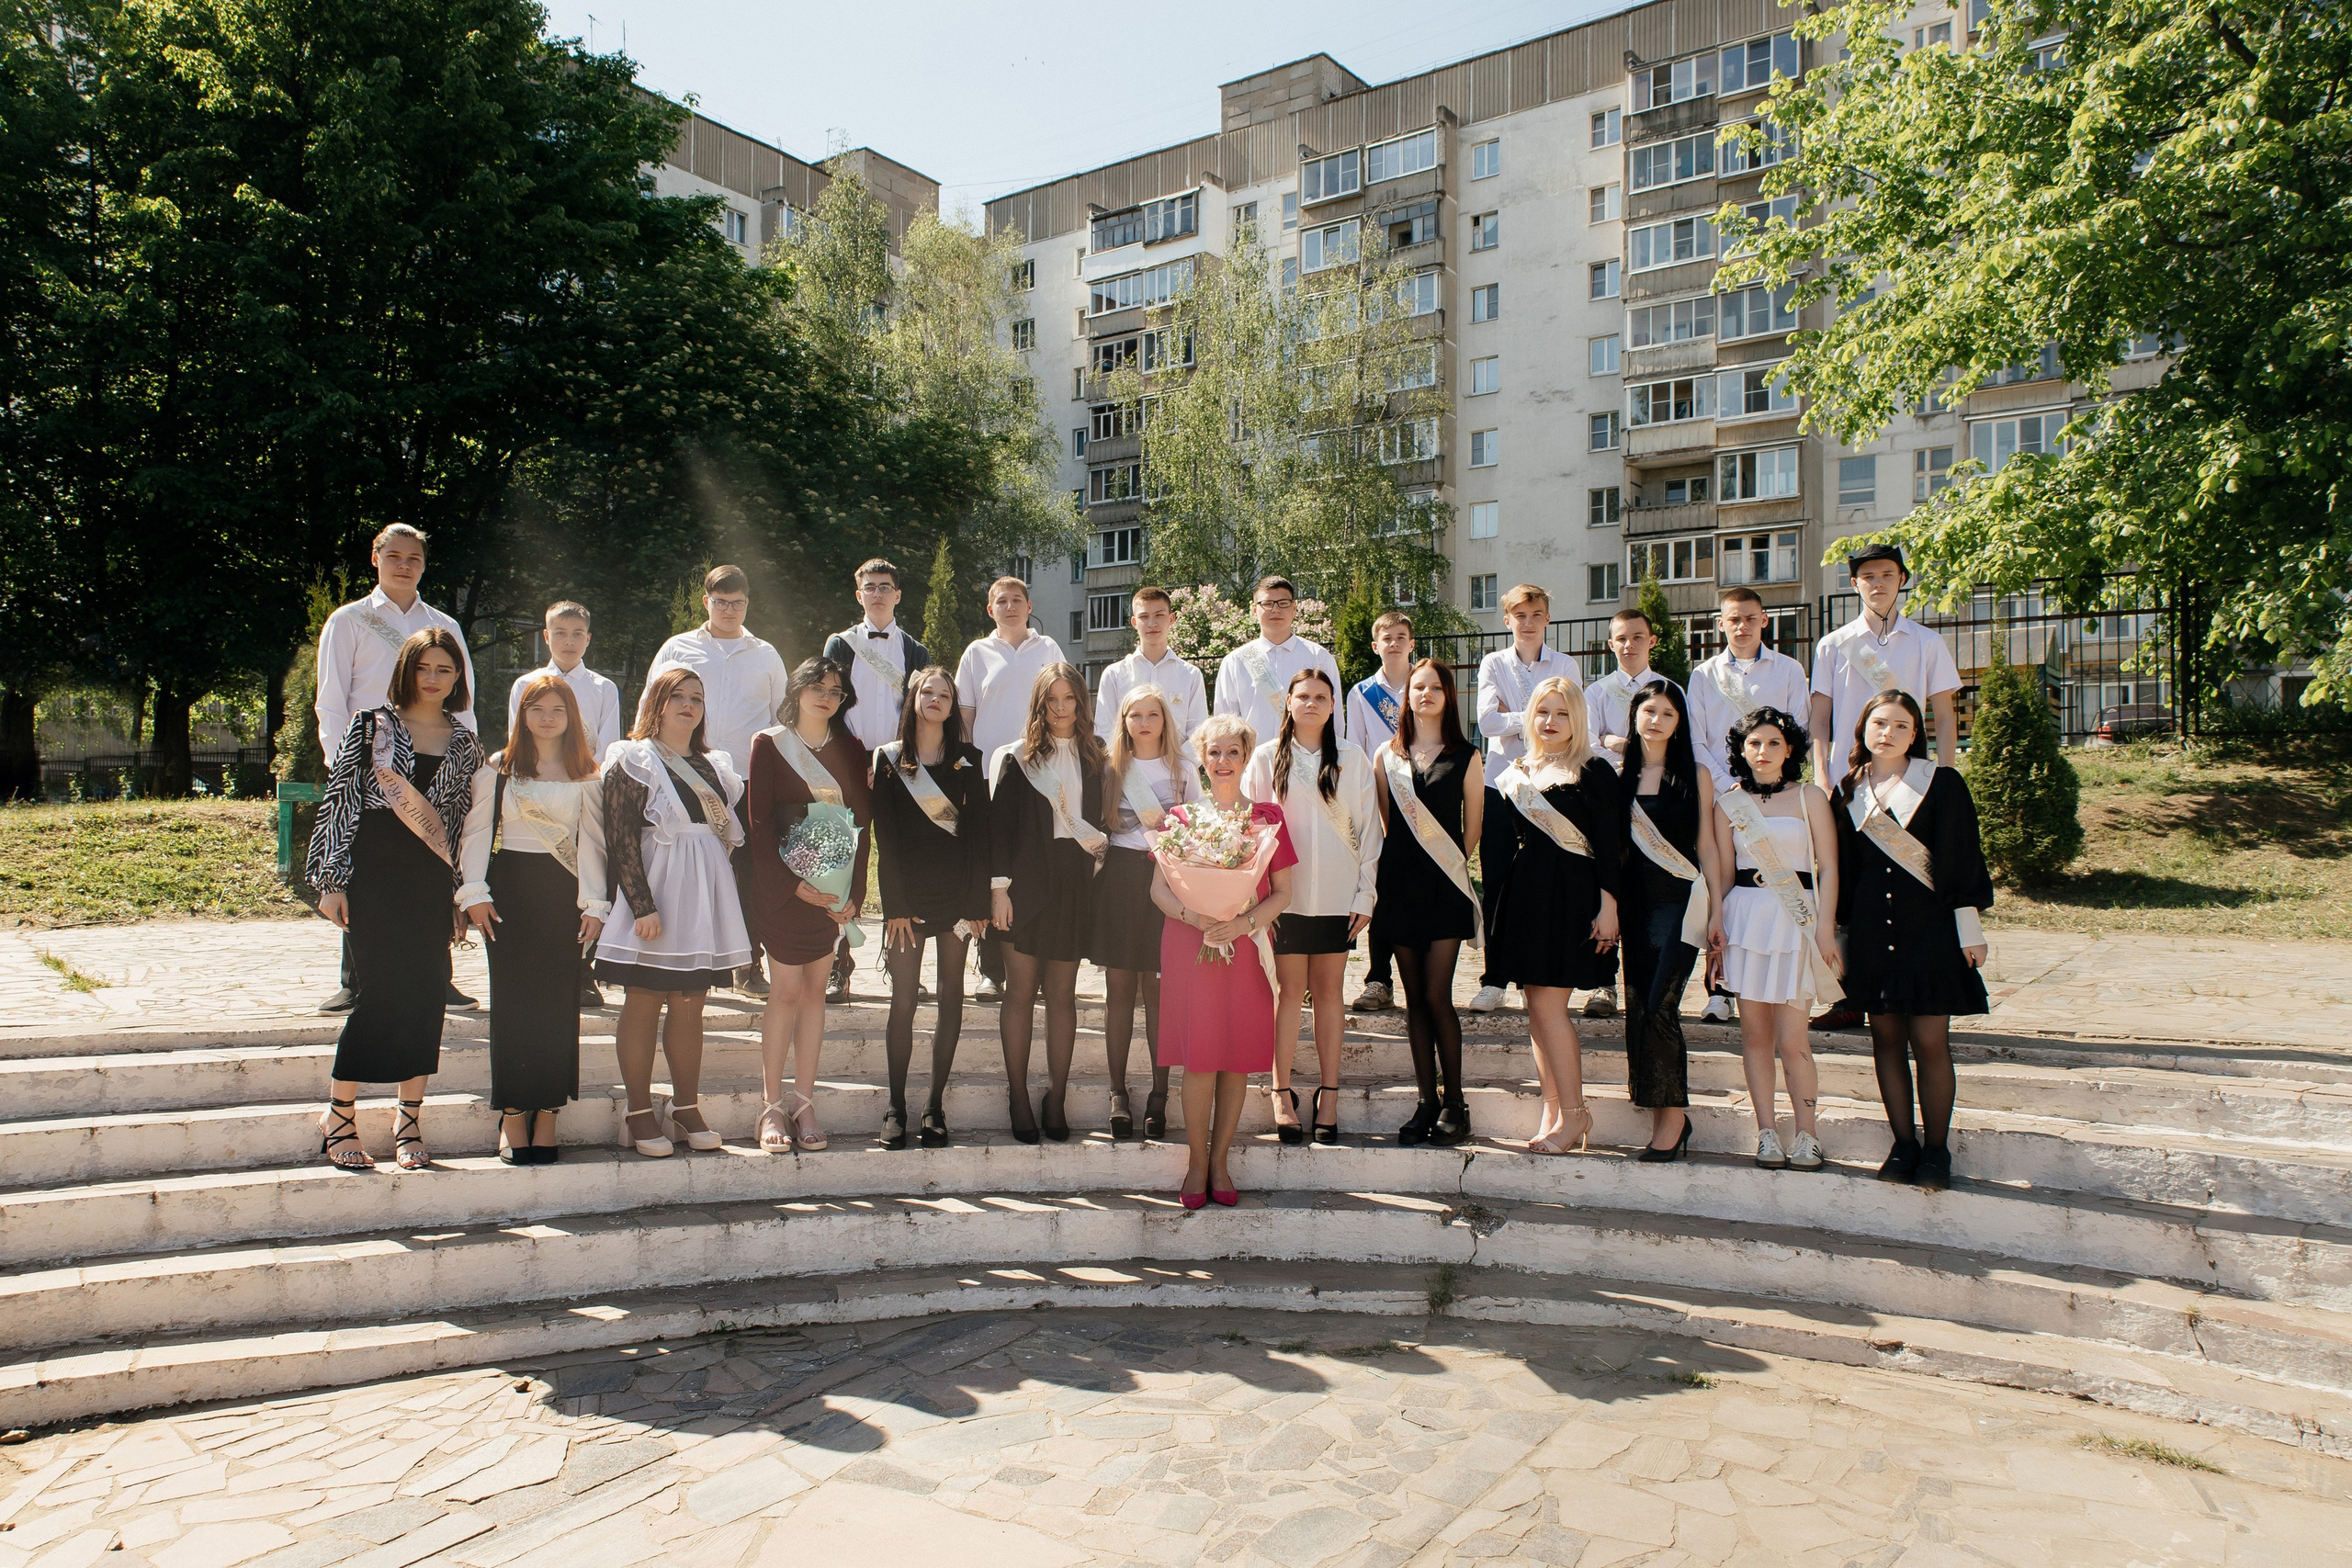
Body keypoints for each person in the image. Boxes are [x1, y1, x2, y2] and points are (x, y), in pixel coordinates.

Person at [307, 628, 485, 1171]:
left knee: (427, 994)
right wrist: (331, 879)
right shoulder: (372, 728)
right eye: (424, 668)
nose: (433, 679)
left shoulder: (464, 742)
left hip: (430, 882)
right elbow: (340, 802)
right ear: (407, 669)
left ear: (458, 679)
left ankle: (408, 1116)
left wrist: (461, 892)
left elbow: (460, 826)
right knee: (380, 993)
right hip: (373, 875)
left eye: (445, 671)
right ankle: (339, 1112)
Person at [313, 524, 480, 1014]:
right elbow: (331, 701)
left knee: (432, 865)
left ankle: (439, 975)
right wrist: (344, 765)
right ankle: (356, 979)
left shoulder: (443, 624)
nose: (404, 565)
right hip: (371, 766)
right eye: (394, 556)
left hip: (435, 760)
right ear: (376, 557)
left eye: (414, 558)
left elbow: (465, 703)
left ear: (424, 565)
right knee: (367, 870)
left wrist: (464, 759)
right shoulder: (348, 621)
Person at [1833, 690, 1994, 1192]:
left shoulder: (1941, 784)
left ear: (1915, 733)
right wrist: (1839, 934)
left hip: (1930, 931)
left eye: (1901, 726)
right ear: (1862, 728)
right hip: (1870, 933)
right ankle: (1903, 1145)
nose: (1888, 733)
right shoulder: (1847, 790)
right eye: (1879, 723)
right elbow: (1843, 867)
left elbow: (1961, 857)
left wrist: (1969, 928)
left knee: (1929, 1041)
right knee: (1884, 1040)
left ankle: (1937, 1150)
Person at [596, 669, 751, 1158]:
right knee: (644, 998)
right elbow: (619, 838)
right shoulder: (634, 758)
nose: (688, 705)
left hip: (703, 892)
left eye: (697, 698)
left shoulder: (714, 766)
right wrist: (642, 904)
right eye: (677, 697)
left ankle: (686, 1106)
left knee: (690, 1001)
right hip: (657, 891)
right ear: (656, 703)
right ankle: (639, 1111)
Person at [1810, 545, 1962, 1033]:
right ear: (1854, 583)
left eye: (1888, 575)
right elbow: (1819, 717)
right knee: (1851, 884)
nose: (1878, 583)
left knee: (1911, 884)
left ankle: (1910, 983)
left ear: (1902, 580)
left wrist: (1944, 775)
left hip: (1911, 782)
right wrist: (1821, 775)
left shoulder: (1925, 643)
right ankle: (1849, 992)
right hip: (1852, 783)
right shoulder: (1833, 644)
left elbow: (1943, 713)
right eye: (1867, 576)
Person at [458, 673, 608, 1164]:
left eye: (557, 709)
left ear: (572, 718)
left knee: (557, 1003)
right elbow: (478, 833)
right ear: (521, 715)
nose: (547, 717)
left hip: (563, 894)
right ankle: (512, 1112)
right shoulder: (499, 769)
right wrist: (474, 892)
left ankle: (548, 1111)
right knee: (513, 1002)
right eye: (536, 708)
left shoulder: (585, 772)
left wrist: (594, 903)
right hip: (510, 893)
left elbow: (593, 844)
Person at [1151, 713, 1297, 1206]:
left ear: (1246, 757)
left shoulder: (1267, 819)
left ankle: (1221, 1163)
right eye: (1214, 752)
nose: (1223, 761)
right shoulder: (1180, 820)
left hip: (1245, 947)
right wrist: (1196, 917)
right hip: (1191, 944)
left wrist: (1242, 924)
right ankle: (1195, 1165)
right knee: (1200, 1056)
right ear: (1201, 758)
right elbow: (1157, 890)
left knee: (1234, 1057)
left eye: (1232, 751)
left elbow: (1282, 894)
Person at [1484, 678, 1622, 1155]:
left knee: (1549, 1008)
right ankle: (1553, 1106)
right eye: (1543, 712)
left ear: (1577, 718)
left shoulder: (1594, 770)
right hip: (1529, 894)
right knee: (1534, 1009)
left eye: (1561, 713)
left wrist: (1610, 906)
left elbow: (1611, 845)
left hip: (1575, 896)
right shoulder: (1521, 769)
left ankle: (1577, 1113)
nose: (1551, 722)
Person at [1244, 667, 1381, 1145]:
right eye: (1303, 696)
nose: (1312, 704)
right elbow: (1251, 832)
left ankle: (1329, 1094)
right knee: (1287, 995)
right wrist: (1260, 903)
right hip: (1285, 899)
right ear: (1288, 701)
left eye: (1321, 697)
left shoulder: (1354, 758)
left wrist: (1365, 894)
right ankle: (1281, 1091)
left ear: (1333, 705)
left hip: (1338, 898)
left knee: (1328, 994)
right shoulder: (1265, 759)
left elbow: (1370, 833)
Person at [1705, 705, 1843, 1172]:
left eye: (1773, 743)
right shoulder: (1728, 803)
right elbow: (1723, 874)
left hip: (1796, 921)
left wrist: (1825, 931)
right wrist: (1715, 928)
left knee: (1793, 1038)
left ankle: (1808, 1134)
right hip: (1746, 920)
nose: (1763, 752)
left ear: (1790, 750)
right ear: (1741, 750)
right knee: (1755, 1036)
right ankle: (1766, 1132)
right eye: (1754, 743)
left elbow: (1830, 867)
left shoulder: (1810, 798)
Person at [745, 657, 872, 1155]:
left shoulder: (851, 748)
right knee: (786, 991)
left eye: (836, 691)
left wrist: (853, 894)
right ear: (796, 691)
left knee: (817, 990)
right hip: (784, 891)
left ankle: (804, 1102)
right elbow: (757, 825)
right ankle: (771, 1104)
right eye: (817, 687)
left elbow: (861, 827)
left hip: (831, 891)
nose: (826, 696)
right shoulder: (769, 745)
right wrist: (790, 885)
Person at [648, 565, 790, 997]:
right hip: (686, 776)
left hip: (747, 782)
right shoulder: (678, 649)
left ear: (748, 604)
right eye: (721, 601)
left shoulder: (765, 653)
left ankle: (748, 965)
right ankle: (687, 961)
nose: (730, 610)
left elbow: (781, 719)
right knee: (688, 872)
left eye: (738, 603)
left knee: (749, 874)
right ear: (706, 602)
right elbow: (651, 705)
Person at [869, 667, 991, 1148]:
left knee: (950, 998)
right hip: (908, 902)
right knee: (903, 1002)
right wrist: (894, 906)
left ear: (952, 704)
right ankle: (896, 1106)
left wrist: (977, 902)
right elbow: (886, 839)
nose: (936, 699)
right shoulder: (888, 760)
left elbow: (979, 837)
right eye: (928, 692)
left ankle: (934, 1106)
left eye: (945, 694)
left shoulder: (969, 759)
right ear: (914, 699)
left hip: (958, 899)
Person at [989, 662, 1108, 1141]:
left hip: (1074, 883)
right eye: (1052, 700)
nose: (1061, 709)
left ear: (1081, 703)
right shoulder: (1017, 757)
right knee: (1019, 992)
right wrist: (998, 889)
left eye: (1069, 699)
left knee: (1061, 994)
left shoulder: (1098, 755)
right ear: (1040, 704)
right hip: (1024, 884)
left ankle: (1055, 1098)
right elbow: (999, 828)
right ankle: (1018, 1097)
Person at [1370, 658, 1484, 1147]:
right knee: (1413, 1000)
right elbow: (1384, 823)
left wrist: (1447, 867)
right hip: (1398, 887)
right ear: (1406, 695)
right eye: (1418, 687)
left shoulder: (1466, 755)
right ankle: (1426, 1102)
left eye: (1435, 687)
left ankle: (1456, 1102)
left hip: (1443, 889)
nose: (1425, 694)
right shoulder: (1385, 755)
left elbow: (1472, 829)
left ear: (1447, 696)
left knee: (1438, 997)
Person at [1685, 586, 1811, 1024]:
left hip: (1775, 793)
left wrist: (1763, 783)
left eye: (1750, 618)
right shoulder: (1703, 675)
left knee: (1768, 883)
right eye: (1732, 619)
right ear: (1720, 623)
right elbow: (1697, 739)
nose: (1741, 626)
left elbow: (1796, 731)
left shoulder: (1790, 670)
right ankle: (1718, 986)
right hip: (1723, 796)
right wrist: (1729, 787)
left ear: (1764, 621)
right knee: (1718, 881)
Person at [1616, 680, 1720, 1161]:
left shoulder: (1696, 775)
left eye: (1667, 713)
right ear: (1635, 716)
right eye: (1648, 711)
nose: (1655, 720)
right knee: (1638, 1007)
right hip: (1633, 909)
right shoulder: (1619, 775)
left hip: (1680, 906)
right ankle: (1661, 1110)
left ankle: (1674, 1121)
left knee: (1661, 1004)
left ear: (1680, 724)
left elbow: (1707, 846)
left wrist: (1718, 909)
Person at [503, 600, 623, 1007]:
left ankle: (583, 969)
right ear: (546, 636)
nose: (568, 641)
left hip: (584, 792)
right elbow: (516, 740)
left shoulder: (605, 688)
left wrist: (595, 793)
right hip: (537, 796)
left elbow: (608, 749)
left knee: (589, 879)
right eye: (560, 633)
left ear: (588, 638)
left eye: (577, 634)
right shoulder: (527, 684)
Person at [821, 558, 930, 1005]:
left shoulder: (916, 650)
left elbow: (921, 710)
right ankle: (837, 967)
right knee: (842, 867)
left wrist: (892, 758)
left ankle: (904, 970)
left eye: (886, 586)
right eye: (870, 587)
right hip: (849, 765)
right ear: (858, 593)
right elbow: (828, 703)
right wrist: (855, 760)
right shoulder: (840, 643)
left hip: (900, 766)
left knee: (905, 867)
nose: (879, 593)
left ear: (898, 595)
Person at [1469, 584, 1580, 1015]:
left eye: (1536, 614)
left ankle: (1537, 974)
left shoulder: (1565, 663)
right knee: (1497, 884)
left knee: (1547, 884)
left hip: (1553, 787)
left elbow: (1571, 721)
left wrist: (1518, 719)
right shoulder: (1494, 662)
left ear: (1547, 618)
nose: (1528, 622)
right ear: (1507, 620)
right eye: (1520, 615)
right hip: (1503, 787)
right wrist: (1539, 715)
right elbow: (1486, 722)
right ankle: (1494, 979)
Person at [956, 576, 1066, 1001]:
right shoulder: (976, 653)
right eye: (1001, 601)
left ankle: (1033, 960)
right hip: (990, 776)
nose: (1010, 606)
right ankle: (991, 970)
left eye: (1017, 599)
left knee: (1033, 862)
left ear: (1029, 604)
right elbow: (965, 716)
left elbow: (1061, 701)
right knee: (993, 866)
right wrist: (965, 770)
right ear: (990, 610)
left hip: (1040, 774)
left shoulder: (1049, 648)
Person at [1578, 608, 1685, 1021]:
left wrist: (1617, 741)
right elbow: (1588, 745)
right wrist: (1621, 747)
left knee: (1649, 887)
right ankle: (1604, 983)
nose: (1629, 645)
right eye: (1621, 638)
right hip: (1610, 798)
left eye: (1637, 637)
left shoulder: (1670, 688)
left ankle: (1654, 980)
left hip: (1659, 800)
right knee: (1609, 880)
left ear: (1652, 640)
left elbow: (1678, 743)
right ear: (1610, 644)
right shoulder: (1597, 691)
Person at [1097, 684, 1190, 1140]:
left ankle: (1159, 1093)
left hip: (1165, 883)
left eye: (1153, 713)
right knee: (1117, 990)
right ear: (1125, 721)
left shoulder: (1183, 768)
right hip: (1118, 880)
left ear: (1165, 720)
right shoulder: (1110, 766)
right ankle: (1117, 1093)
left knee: (1158, 992)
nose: (1145, 722)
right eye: (1135, 715)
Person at [1345, 610, 1415, 1013]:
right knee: (1380, 888)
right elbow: (1354, 748)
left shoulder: (1425, 684)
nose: (1394, 643)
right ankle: (1378, 978)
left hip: (1421, 799)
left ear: (1411, 643)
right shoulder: (1361, 693)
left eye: (1401, 636)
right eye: (1386, 637)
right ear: (1375, 645)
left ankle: (1419, 976)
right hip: (1377, 797)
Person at [1213, 575, 1341, 763]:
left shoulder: (1318, 658)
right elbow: (1224, 722)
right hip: (1251, 765)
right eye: (1267, 603)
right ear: (1254, 609)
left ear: (1295, 607)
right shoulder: (1235, 661)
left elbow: (1334, 719)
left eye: (1283, 603)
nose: (1275, 610)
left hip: (1309, 764)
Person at [1093, 587, 1208, 748]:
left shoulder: (1190, 675)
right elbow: (1104, 732)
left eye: (1159, 615)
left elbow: (1198, 732)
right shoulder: (1114, 675)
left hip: (1178, 769)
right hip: (1127, 769)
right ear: (1134, 622)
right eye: (1144, 617)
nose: (1152, 624)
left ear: (1171, 619)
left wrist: (1180, 766)